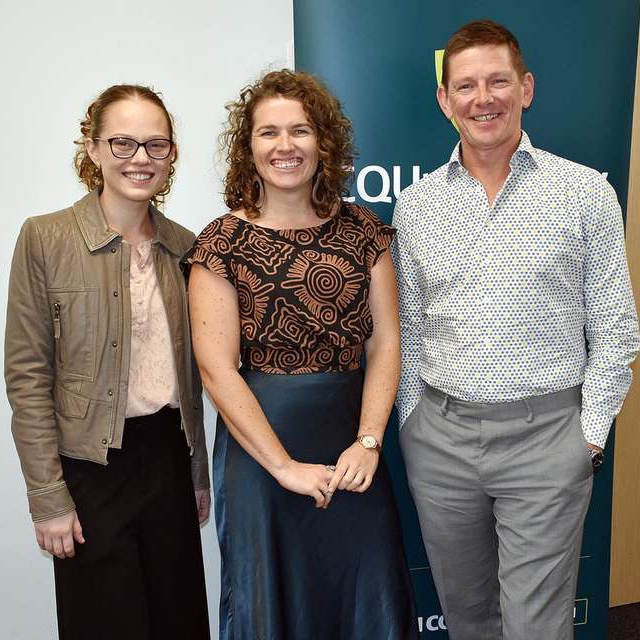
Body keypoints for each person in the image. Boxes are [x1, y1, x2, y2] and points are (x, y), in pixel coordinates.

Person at [393, 19, 640, 640]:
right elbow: (411, 327)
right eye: (467, 86)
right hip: (441, 441)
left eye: (498, 81)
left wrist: (586, 436)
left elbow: (615, 328)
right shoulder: (417, 205)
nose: (484, 98)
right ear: (444, 101)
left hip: (548, 440)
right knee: (468, 616)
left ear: (525, 88)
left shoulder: (583, 193)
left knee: (536, 625)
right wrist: (412, 422)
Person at [185, 69, 418, 639]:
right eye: (268, 133)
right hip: (262, 449)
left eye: (300, 131)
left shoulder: (364, 230)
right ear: (248, 147)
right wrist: (284, 466)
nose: (285, 146)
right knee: (272, 601)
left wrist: (368, 441)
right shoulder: (221, 242)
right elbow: (216, 368)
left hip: (352, 444)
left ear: (324, 143)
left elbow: (386, 339)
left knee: (364, 593)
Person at [4, 84, 209, 640]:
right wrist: (47, 497)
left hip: (168, 457)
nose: (139, 159)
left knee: (179, 621)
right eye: (122, 143)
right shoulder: (45, 238)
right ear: (92, 148)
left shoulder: (187, 248)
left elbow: (192, 378)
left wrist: (196, 474)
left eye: (155, 145)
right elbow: (27, 378)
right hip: (89, 467)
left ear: (170, 156)